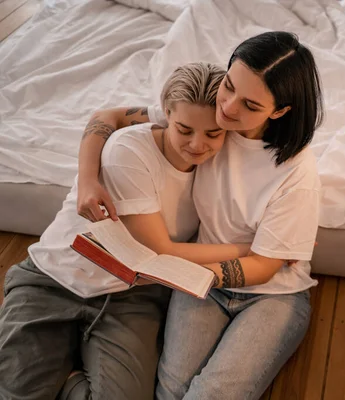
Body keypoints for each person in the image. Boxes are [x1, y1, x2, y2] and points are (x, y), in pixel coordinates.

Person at [77, 31, 324, 400]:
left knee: (210, 395)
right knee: (171, 391)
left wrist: (179, 269)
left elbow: (267, 267)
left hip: (273, 294)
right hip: (203, 285)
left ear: (279, 111)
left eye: (250, 106)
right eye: (229, 85)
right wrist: (87, 180)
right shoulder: (207, 116)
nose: (229, 108)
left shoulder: (296, 173)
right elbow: (107, 116)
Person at [0, 62, 252, 400]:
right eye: (184, 129)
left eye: (212, 134)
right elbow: (161, 248)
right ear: (165, 115)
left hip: (131, 297)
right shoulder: (128, 149)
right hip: (55, 278)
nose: (197, 145)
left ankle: (62, 376)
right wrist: (250, 250)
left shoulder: (224, 161)